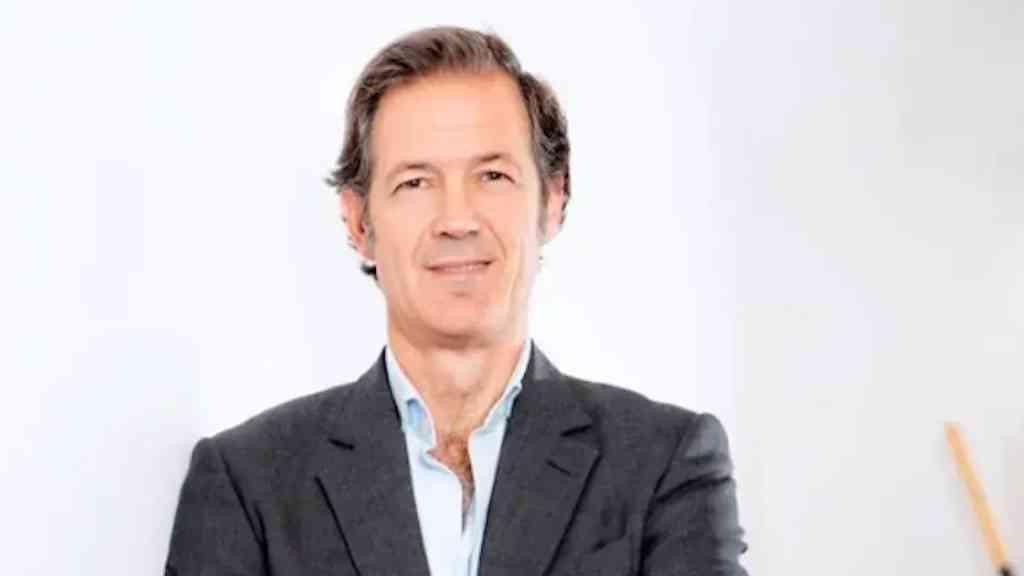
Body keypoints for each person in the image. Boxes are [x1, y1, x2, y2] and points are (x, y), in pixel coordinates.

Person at [164, 25, 748, 576]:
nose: (457, 219)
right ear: (359, 221)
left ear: (552, 201)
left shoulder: (664, 464)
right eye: (415, 182)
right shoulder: (248, 484)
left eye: (492, 176)